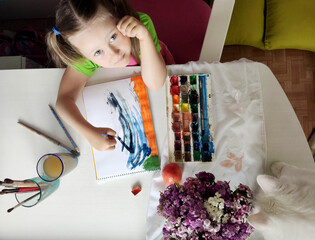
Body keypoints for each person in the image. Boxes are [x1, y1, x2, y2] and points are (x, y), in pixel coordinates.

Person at [46, 0, 167, 151]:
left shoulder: (141, 27)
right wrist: (89, 133)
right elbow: (63, 101)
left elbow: (155, 83)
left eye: (113, 37)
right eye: (98, 52)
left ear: (118, 15)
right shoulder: (85, 58)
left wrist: (144, 36)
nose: (114, 53)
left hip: (153, 64)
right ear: (83, 55)